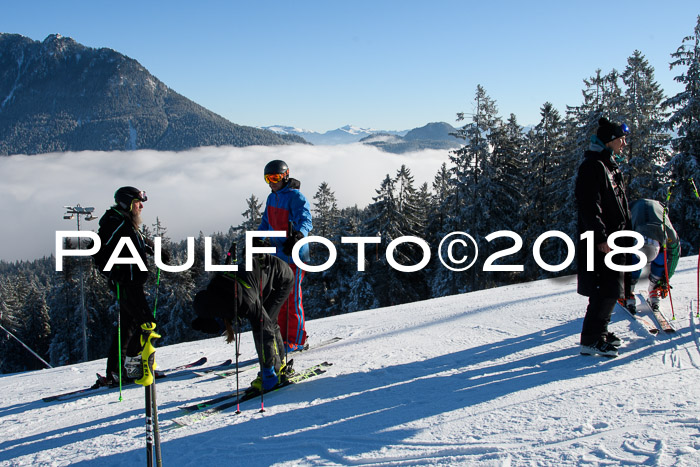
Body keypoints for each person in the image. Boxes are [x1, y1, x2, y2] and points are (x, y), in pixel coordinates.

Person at [192, 252, 294, 391]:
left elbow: (265, 332)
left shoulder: (246, 301)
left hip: (281, 277)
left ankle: (275, 371)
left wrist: (267, 371)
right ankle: (277, 366)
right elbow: (209, 306)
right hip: (259, 274)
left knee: (268, 322)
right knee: (266, 321)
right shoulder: (217, 292)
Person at [575, 117, 631, 358]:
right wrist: (601, 237)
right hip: (601, 240)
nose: (624, 144)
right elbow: (589, 205)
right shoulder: (593, 167)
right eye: (621, 139)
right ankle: (591, 339)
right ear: (609, 141)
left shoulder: (607, 164)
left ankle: (599, 333)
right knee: (604, 287)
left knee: (610, 287)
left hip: (612, 236)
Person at [92, 186, 155, 386]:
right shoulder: (115, 222)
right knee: (147, 324)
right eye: (138, 202)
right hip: (126, 283)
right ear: (126, 203)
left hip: (132, 281)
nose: (141, 206)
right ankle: (133, 368)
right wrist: (112, 271)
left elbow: (135, 240)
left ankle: (116, 371)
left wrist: (155, 248)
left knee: (127, 327)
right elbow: (97, 249)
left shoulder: (124, 221)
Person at [258, 160, 313, 353]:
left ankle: (297, 340)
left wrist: (298, 235)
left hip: (294, 256)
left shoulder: (296, 197)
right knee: (278, 298)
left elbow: (306, 220)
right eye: (267, 179)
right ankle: (281, 338)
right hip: (277, 257)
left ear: (285, 176)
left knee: (292, 298)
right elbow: (266, 222)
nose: (271, 182)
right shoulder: (272, 198)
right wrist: (256, 239)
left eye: (275, 178)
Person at [623, 198, 681, 313]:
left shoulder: (669, 234)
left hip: (658, 213)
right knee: (632, 260)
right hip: (634, 208)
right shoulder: (628, 231)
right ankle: (628, 289)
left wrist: (665, 280)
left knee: (661, 259)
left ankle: (654, 286)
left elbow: (674, 256)